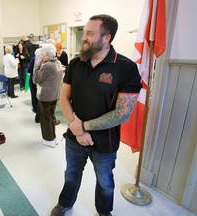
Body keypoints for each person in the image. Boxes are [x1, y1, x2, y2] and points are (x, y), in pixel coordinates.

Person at [50, 14, 142, 216]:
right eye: (85, 32)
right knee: (71, 174)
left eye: (90, 33)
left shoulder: (126, 68)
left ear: (106, 37)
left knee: (105, 181)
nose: (84, 38)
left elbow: (122, 114)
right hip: (75, 138)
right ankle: (65, 203)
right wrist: (77, 128)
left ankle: (103, 211)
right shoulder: (76, 63)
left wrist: (83, 127)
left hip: (105, 142)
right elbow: (64, 98)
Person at [33, 43, 63, 148]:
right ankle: (53, 137)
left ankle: (48, 139)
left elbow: (35, 79)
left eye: (43, 55)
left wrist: (39, 63)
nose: (42, 56)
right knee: (51, 116)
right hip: (55, 94)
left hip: (46, 96)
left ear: (46, 54)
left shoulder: (47, 66)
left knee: (45, 118)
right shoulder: (58, 63)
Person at [27, 48, 41, 121]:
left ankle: (35, 109)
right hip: (39, 80)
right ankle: (38, 110)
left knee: (33, 94)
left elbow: (29, 70)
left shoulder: (33, 59)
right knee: (38, 95)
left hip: (33, 79)